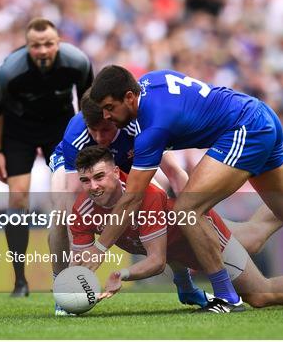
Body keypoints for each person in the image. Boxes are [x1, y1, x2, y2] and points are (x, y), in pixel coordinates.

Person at [81, 65, 283, 314]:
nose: (106, 117)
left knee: (186, 210)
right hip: (259, 117)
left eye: (110, 108)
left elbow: (132, 198)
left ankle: (226, 296)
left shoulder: (153, 127)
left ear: (130, 97)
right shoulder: (150, 82)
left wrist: (99, 248)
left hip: (244, 130)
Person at [71, 146, 283, 311]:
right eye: (85, 180)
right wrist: (69, 295)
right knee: (255, 233)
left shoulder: (144, 195)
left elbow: (155, 258)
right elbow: (160, 250)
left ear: (116, 172)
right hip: (184, 244)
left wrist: (121, 276)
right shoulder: (82, 210)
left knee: (260, 293)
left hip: (204, 236)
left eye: (99, 177)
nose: (93, 186)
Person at [49, 92, 188, 315]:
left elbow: (174, 172)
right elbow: (73, 193)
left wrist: (197, 215)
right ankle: (61, 287)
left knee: (159, 195)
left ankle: (183, 279)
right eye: (92, 130)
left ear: (115, 118)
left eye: (105, 130)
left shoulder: (138, 125)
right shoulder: (76, 136)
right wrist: (76, 270)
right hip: (82, 165)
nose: (99, 136)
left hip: (119, 160)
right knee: (59, 215)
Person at [0, 18, 93, 297]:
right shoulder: (10, 71)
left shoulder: (77, 62)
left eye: (49, 44)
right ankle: (20, 280)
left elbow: (87, 103)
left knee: (67, 195)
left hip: (59, 127)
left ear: (59, 43)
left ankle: (73, 273)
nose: (43, 51)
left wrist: (89, 144)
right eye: (36, 46)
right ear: (27, 46)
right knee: (18, 197)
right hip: (18, 131)